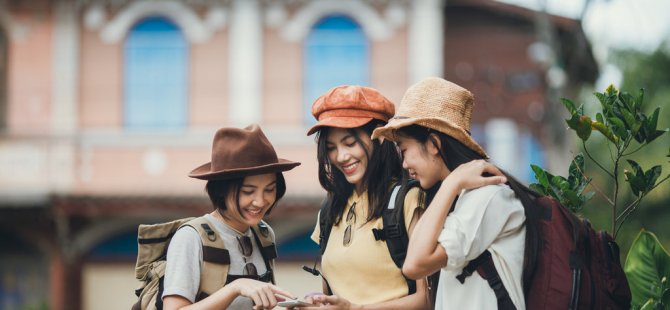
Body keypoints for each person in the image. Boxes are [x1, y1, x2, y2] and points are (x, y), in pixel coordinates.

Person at [372, 77, 541, 309]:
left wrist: (452, 183)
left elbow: (414, 265)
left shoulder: (488, 197)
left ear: (433, 144)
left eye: (405, 150)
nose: (404, 164)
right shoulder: (462, 199)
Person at [303, 85, 429, 309]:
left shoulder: (409, 200)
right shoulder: (330, 209)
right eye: (331, 148)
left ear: (379, 137)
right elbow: (335, 293)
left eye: (350, 143)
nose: (341, 156)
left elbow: (428, 299)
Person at [162, 124, 301, 310]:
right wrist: (235, 287)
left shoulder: (264, 234)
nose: (260, 201)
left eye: (270, 189)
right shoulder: (191, 238)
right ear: (221, 190)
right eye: (248, 191)